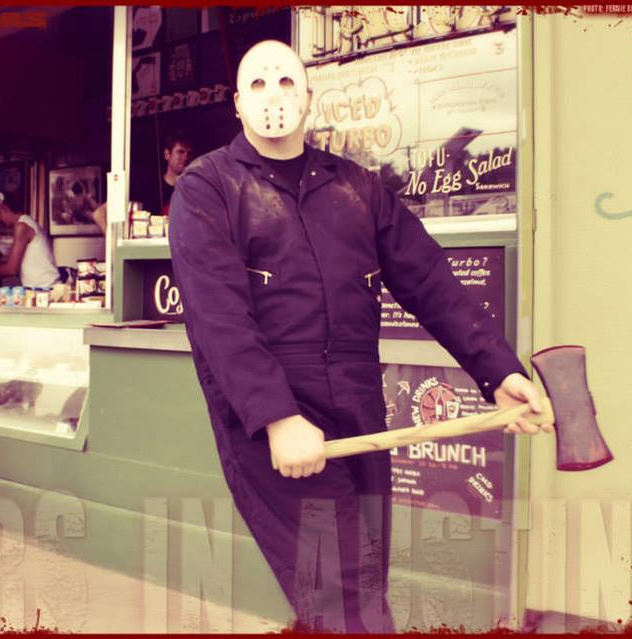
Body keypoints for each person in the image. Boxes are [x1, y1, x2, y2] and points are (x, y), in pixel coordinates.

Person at [167, 40, 553, 632]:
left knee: (356, 580)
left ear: (308, 96)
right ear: (237, 104)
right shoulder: (207, 187)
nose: (274, 95)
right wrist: (277, 418)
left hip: (358, 400)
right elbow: (218, 318)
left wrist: (498, 371)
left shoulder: (358, 188)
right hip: (273, 416)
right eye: (258, 84)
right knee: (345, 594)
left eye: (286, 82)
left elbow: (430, 281)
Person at [0, 189, 64, 297]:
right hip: (42, 290)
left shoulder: (21, 226)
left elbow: (11, 269)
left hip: (46, 291)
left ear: (3, 208)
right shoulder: (27, 221)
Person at [131, 131, 193, 216]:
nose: (186, 157)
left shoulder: (193, 190)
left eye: (189, 153)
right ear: (167, 154)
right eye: (180, 152)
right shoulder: (149, 188)